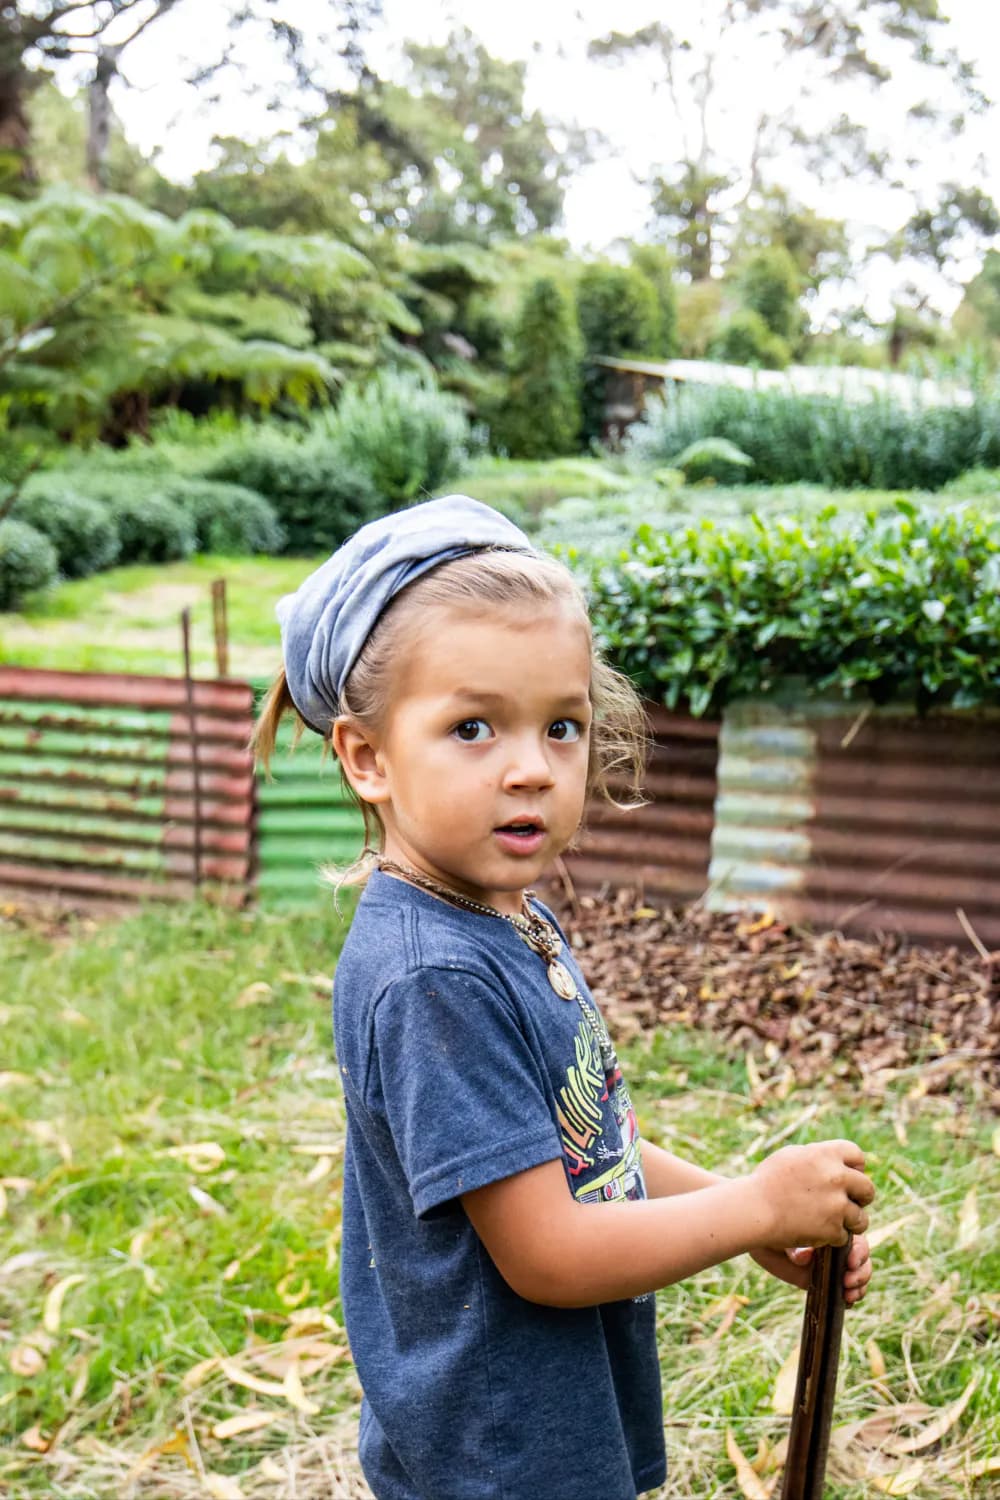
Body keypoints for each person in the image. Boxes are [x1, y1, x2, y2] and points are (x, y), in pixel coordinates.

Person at [254, 494, 874, 1500]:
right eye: (471, 727)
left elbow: (590, 1148)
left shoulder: (500, 915)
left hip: (542, 1423)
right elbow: (546, 1251)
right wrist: (756, 1202)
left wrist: (744, 1208)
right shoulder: (433, 976)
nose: (530, 768)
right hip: (497, 1451)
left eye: (561, 725)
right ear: (366, 757)